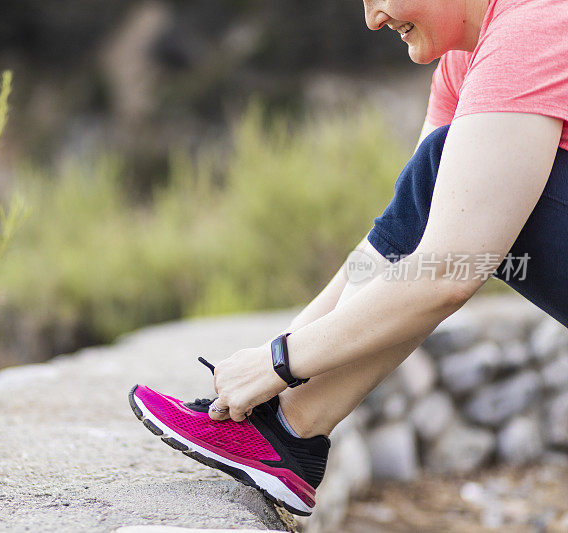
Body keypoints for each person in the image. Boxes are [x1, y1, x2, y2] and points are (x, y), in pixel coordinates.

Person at [129, 0, 568, 517]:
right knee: (435, 176)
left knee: (438, 171)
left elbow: (448, 269)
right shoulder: (463, 64)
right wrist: (267, 378)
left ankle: (292, 433)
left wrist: (281, 361)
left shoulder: (538, 25)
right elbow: (396, 240)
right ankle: (279, 430)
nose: (372, 18)